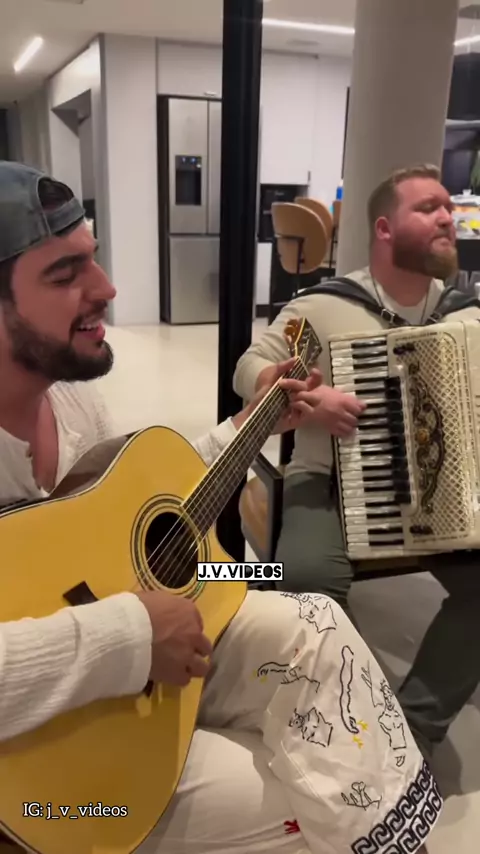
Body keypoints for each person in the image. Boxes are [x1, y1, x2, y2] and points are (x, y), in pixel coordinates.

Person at [0, 161, 437, 854]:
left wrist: (249, 426)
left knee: (314, 623)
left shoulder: (70, 396)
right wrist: (132, 636)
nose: (107, 288)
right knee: (309, 799)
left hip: (159, 632)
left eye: (94, 257)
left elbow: (121, 512)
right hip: (43, 774)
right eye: (64, 274)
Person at [233, 163, 480, 763]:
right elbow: (250, 365)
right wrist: (305, 398)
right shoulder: (324, 308)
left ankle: (412, 731)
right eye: (428, 207)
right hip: (329, 482)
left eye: (448, 207)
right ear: (384, 228)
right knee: (305, 582)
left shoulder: (466, 315)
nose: (447, 217)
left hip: (445, 494)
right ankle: (353, 721)